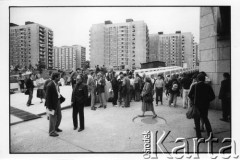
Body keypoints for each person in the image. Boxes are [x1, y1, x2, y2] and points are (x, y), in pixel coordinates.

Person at [188, 73, 215, 139]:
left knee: (197, 121)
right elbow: (213, 96)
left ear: (197, 79)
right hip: (205, 105)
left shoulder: (195, 86)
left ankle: (199, 136)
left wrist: (193, 99)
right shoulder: (208, 86)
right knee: (205, 119)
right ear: (204, 79)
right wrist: (207, 100)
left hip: (196, 105)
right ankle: (210, 134)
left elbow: (189, 95)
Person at [45, 72, 62, 137]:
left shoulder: (56, 84)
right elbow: (47, 97)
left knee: (59, 116)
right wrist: (49, 106)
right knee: (52, 118)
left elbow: (57, 93)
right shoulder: (50, 85)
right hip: (52, 103)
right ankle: (51, 131)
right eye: (59, 76)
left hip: (57, 101)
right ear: (55, 77)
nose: (60, 78)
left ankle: (56, 128)